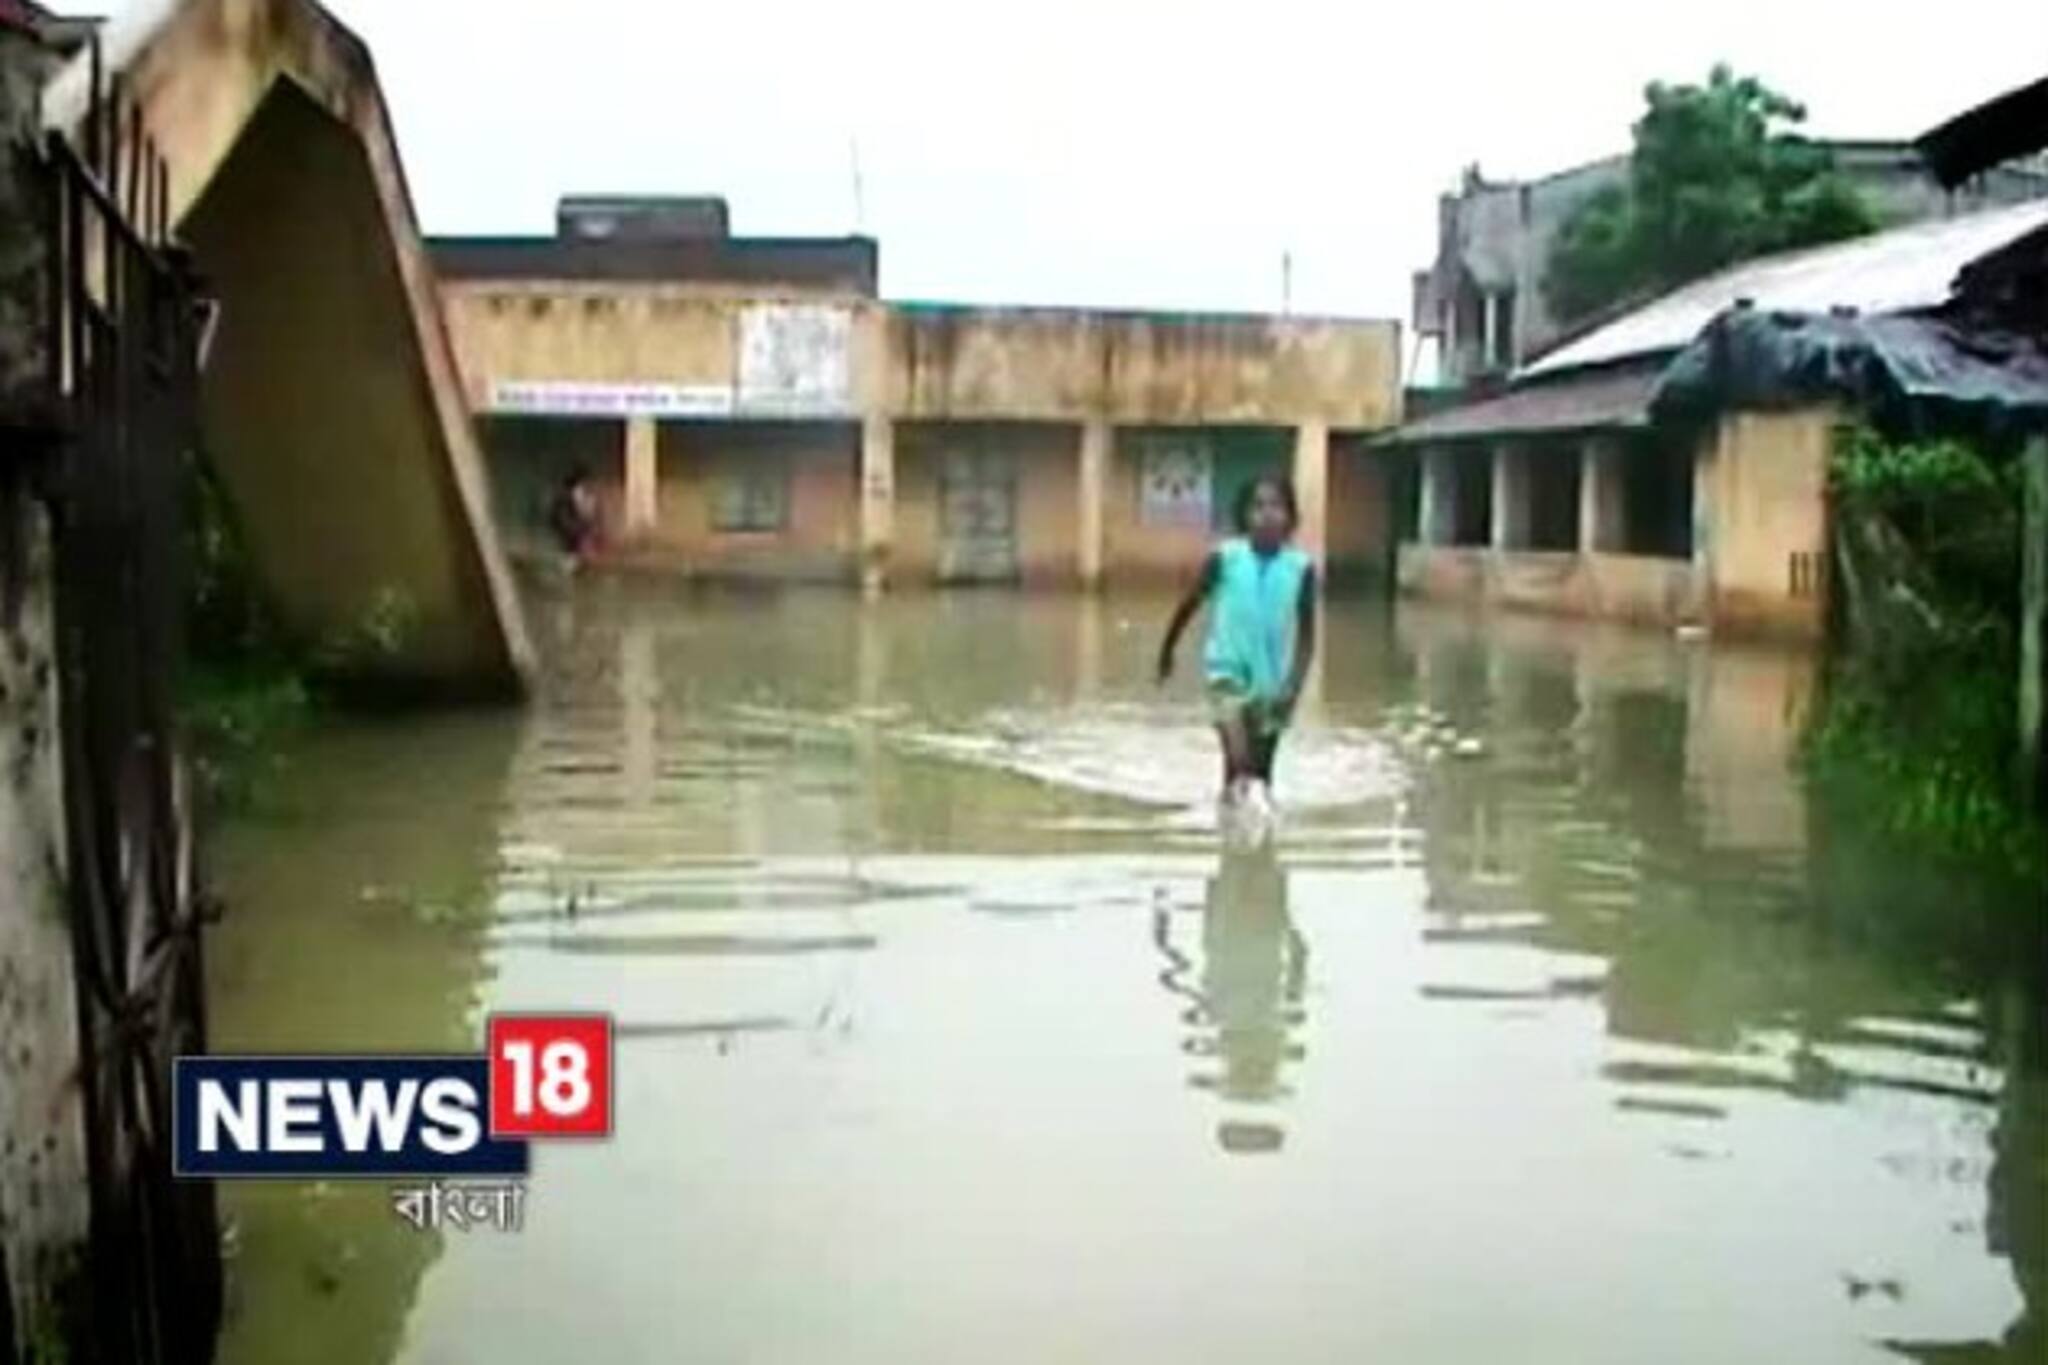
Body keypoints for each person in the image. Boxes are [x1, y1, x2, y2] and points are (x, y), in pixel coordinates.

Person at [1155, 474, 1318, 814]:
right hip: (1225, 673)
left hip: (1272, 683)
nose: (1267, 515)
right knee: (1238, 755)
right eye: (1257, 507)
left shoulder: (1301, 569)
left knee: (1259, 775)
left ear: (1290, 516)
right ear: (1244, 515)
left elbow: (1307, 636)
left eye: (1276, 506)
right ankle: (1234, 842)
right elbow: (1188, 605)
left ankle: (1249, 851)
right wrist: (1167, 652)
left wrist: (1293, 685)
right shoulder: (1225, 559)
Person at [547, 464, 600, 566]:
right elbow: (561, 519)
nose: (589, 485)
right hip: (571, 534)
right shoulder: (566, 498)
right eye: (585, 482)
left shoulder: (589, 496)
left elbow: (592, 516)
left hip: (578, 532)